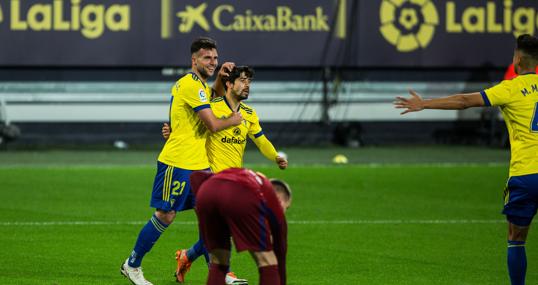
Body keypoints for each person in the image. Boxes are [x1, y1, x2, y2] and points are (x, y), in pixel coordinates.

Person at [394, 34, 538, 285]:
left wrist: (424, 104)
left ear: (517, 58)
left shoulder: (510, 87)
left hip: (526, 174)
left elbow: (463, 101)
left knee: (516, 238)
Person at [120, 37, 243, 285]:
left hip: (200, 165)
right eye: (207, 58)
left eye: (215, 58)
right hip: (177, 163)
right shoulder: (190, 85)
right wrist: (234, 119)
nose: (212, 62)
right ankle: (132, 265)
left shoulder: (197, 86)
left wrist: (220, 76)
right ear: (193, 60)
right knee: (165, 215)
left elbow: (211, 95)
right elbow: (212, 124)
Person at [165, 66, 288, 284]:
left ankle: (187, 256)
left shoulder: (248, 114)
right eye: (242, 80)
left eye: (249, 81)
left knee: (218, 231)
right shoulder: (213, 107)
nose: (247, 85)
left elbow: (260, 139)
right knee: (223, 229)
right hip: (208, 178)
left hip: (234, 180)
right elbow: (190, 127)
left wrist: (275, 156)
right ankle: (226, 274)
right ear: (229, 84)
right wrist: (171, 132)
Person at [189, 168, 291, 285]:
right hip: (238, 193)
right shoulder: (269, 193)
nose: (284, 211)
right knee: (268, 260)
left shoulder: (248, 176)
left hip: (205, 192)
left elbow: (197, 177)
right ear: (281, 199)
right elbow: (280, 248)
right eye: (286, 208)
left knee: (219, 260)